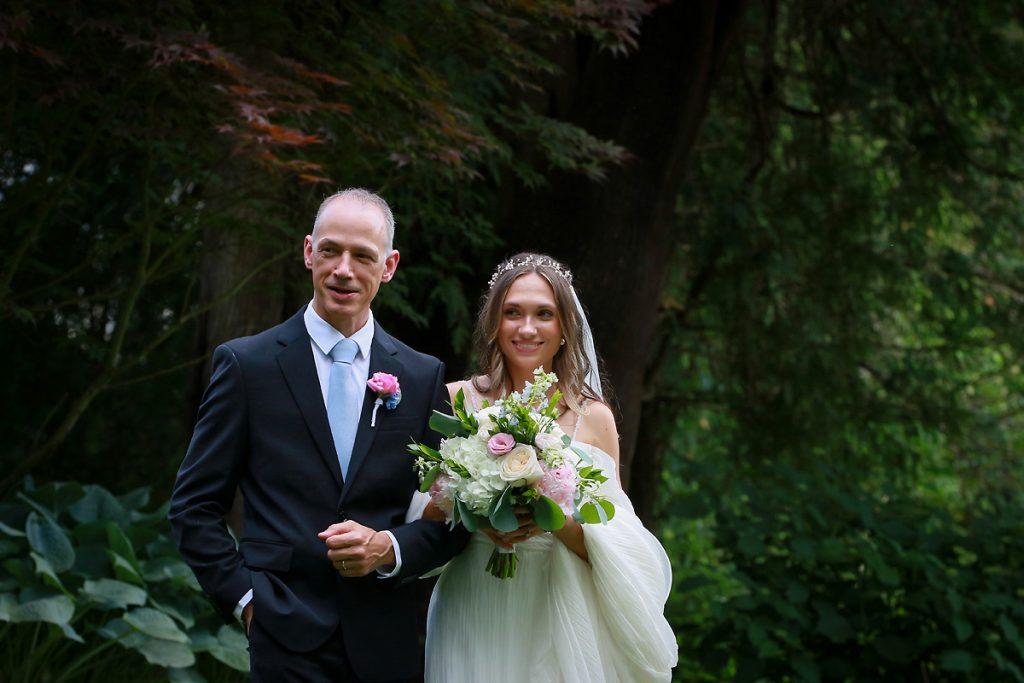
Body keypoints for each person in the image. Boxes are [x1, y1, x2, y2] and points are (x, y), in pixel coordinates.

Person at [169, 188, 466, 682]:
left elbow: (452, 515)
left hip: (386, 639)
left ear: (389, 266)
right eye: (330, 250)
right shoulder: (248, 365)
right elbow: (193, 507)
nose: (343, 269)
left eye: (362, 256)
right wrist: (248, 602)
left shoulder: (421, 376)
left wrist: (390, 548)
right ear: (309, 252)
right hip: (282, 636)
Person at [422, 253, 679, 682]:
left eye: (544, 314)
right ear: (494, 324)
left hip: (555, 603)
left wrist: (551, 515)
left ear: (564, 329)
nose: (527, 328)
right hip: (473, 599)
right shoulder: (455, 402)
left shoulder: (593, 419)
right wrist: (475, 511)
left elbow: (619, 540)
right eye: (512, 313)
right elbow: (419, 515)